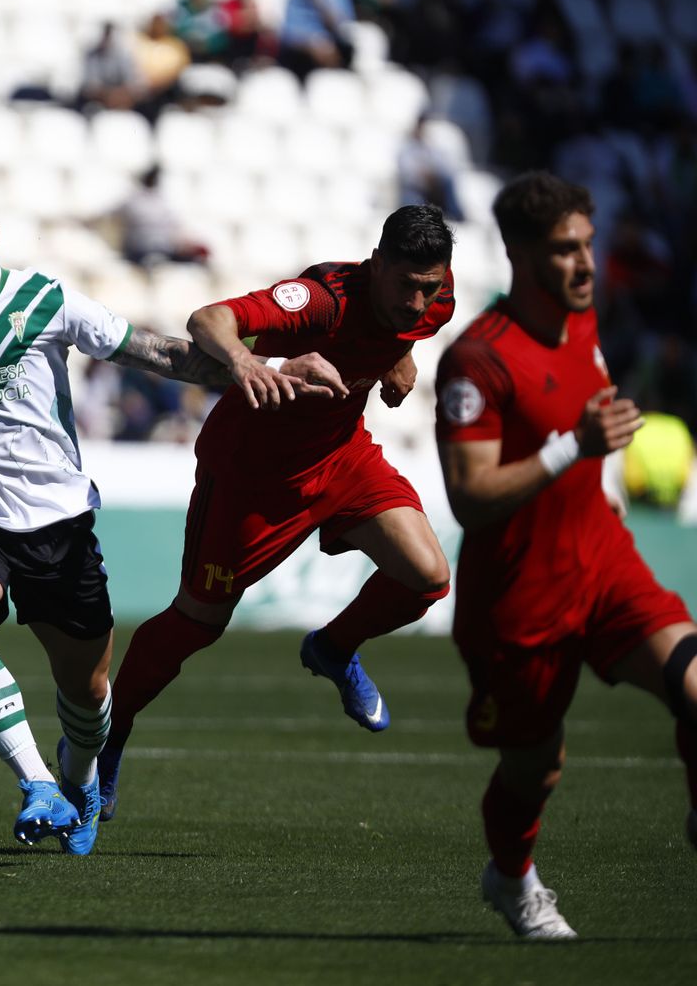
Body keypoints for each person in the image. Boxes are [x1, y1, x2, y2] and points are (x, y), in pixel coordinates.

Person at [0, 170, 345, 855]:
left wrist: (258, 364)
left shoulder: (45, 301)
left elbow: (159, 353)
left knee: (88, 693)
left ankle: (80, 776)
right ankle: (37, 784)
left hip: (57, 525)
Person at [98, 205, 458, 821]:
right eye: (406, 286)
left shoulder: (433, 297)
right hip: (250, 478)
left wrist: (401, 356)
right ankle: (106, 739)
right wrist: (243, 363)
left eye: (428, 288)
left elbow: (401, 331)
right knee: (198, 623)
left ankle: (335, 648)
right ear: (376, 266)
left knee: (427, 575)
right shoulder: (318, 300)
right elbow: (207, 319)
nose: (419, 302)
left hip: (341, 459)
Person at [433, 171, 696, 939]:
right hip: (517, 599)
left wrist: (593, 472)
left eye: (587, 244)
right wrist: (570, 449)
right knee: (534, 769)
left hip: (604, 563)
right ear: (518, 254)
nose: (584, 264)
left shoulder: (584, 323)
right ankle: (511, 879)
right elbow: (469, 496)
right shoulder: (477, 361)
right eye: (563, 251)